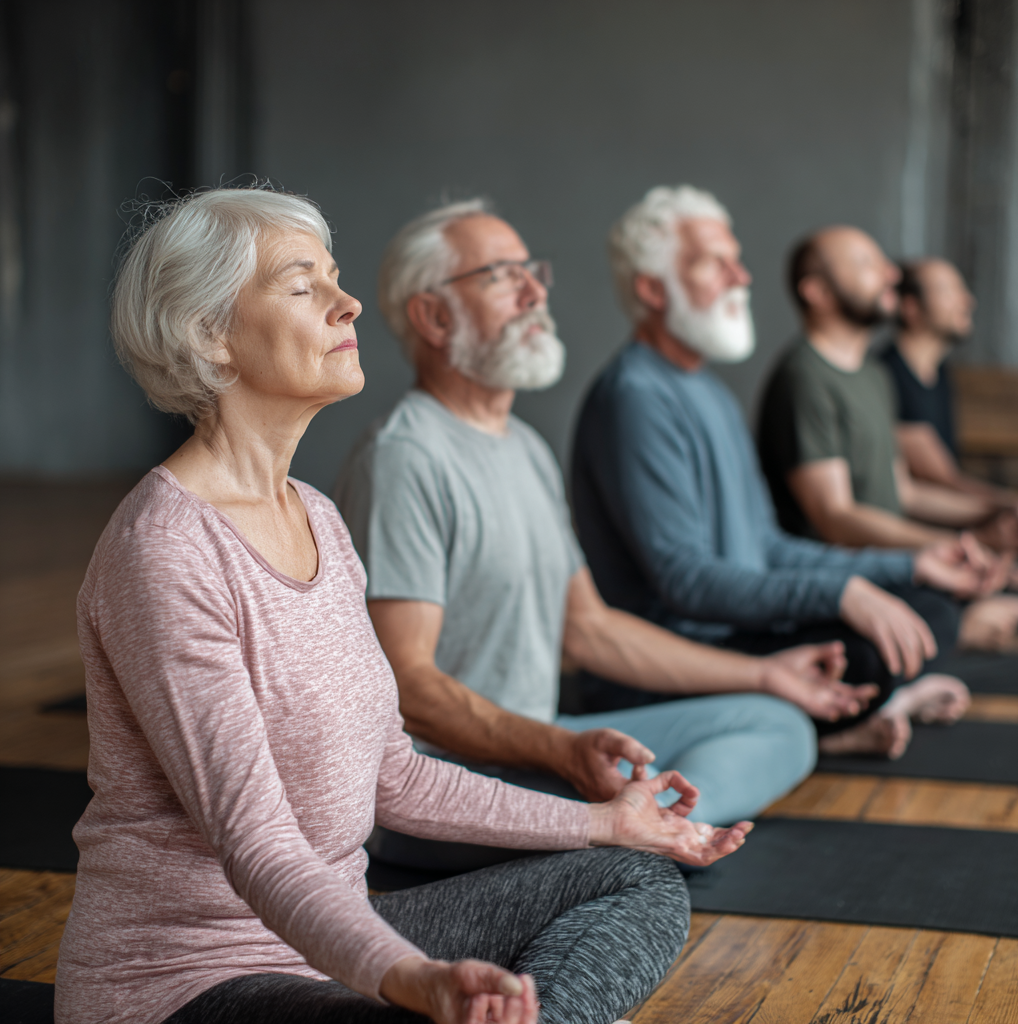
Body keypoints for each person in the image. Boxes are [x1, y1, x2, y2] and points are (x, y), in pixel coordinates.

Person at [55, 186, 753, 1024]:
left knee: (635, 877)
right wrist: (406, 978)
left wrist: (607, 821)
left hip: (327, 944)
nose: (347, 302)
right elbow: (256, 843)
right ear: (210, 334)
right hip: (187, 982)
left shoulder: (316, 515)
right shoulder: (165, 550)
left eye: (336, 277)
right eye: (301, 284)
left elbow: (396, 775)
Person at [335, 198, 870, 875]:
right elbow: (407, 687)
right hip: (450, 789)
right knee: (650, 792)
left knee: (779, 723)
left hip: (540, 748)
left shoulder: (525, 447)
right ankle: (635, 838)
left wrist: (767, 674)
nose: (536, 293)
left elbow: (590, 629)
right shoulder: (404, 457)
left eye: (534, 272)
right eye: (503, 276)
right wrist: (558, 750)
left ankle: (645, 833)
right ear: (434, 316)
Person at [571, 186, 985, 761]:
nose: (741, 277)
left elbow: (764, 545)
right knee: (873, 650)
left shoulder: (708, 391)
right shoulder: (634, 397)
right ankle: (839, 717)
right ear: (651, 289)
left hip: (742, 627)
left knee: (927, 606)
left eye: (736, 260)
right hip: (680, 661)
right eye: (716, 264)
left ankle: (843, 715)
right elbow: (685, 582)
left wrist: (911, 564)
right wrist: (842, 593)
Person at [757, 226, 1018, 650]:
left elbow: (907, 492)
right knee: (953, 610)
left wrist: (1000, 513)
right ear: (818, 292)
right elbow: (835, 517)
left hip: (896, 567)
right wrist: (959, 545)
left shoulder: (873, 376)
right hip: (843, 584)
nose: (890, 275)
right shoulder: (805, 376)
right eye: (867, 265)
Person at [882, 258, 1018, 512]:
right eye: (949, 291)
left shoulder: (940, 375)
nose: (968, 302)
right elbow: (939, 478)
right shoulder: (888, 376)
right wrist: (1012, 504)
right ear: (910, 307)